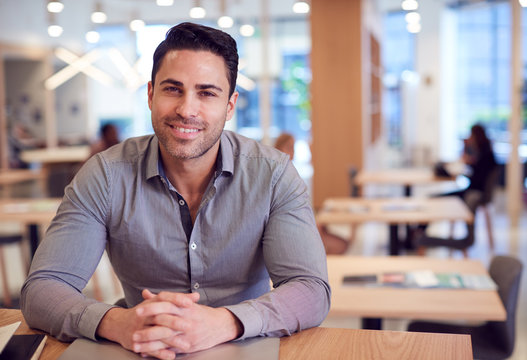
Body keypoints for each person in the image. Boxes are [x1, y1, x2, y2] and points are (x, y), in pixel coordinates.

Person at [21, 22, 330, 360]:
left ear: (229, 106)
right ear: (151, 94)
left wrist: (225, 322)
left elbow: (311, 290)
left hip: (248, 345)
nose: (187, 109)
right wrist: (117, 323)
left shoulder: (272, 174)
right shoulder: (105, 175)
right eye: (173, 89)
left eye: (207, 93)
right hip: (137, 347)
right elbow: (42, 290)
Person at [274, 132, 349, 254]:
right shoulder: (280, 177)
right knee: (340, 245)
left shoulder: (292, 172)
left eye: (293, 148)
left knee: (343, 243)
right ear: (278, 148)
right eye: (289, 148)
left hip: (306, 223)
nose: (293, 153)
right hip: (297, 230)